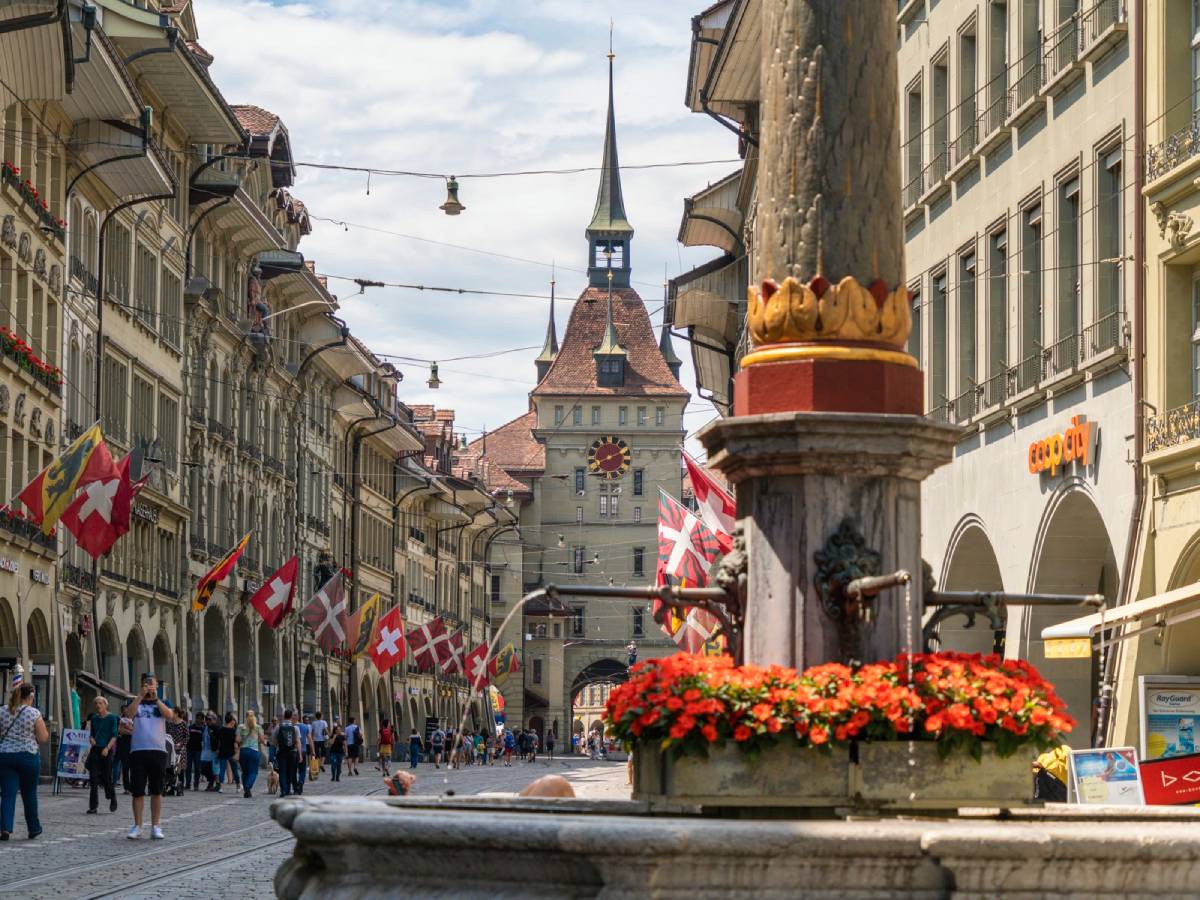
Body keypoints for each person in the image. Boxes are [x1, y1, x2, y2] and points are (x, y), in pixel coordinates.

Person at [122, 673, 172, 840]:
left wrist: (156, 699)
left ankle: (156, 825)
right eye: (146, 684)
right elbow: (128, 714)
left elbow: (170, 716)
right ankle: (137, 825)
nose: (150, 687)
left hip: (158, 750)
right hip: (138, 750)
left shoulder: (163, 702)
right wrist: (140, 696)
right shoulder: (135, 701)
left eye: (152, 684)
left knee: (157, 790)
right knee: (137, 791)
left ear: (157, 686)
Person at [0, 682, 47, 840]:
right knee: (29, 793)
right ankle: (33, 828)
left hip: (5, 755)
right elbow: (42, 737)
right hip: (28, 755)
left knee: (7, 794)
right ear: (31, 697)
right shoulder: (33, 713)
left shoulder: (2, 711)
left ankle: (5, 828)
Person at [85, 696, 119, 814]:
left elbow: (114, 735)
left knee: (106, 777)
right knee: (93, 779)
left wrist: (107, 748)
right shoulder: (94, 718)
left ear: (105, 705)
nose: (98, 706)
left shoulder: (112, 718)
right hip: (95, 750)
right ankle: (93, 806)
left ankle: (113, 798)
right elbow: (91, 734)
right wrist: (91, 739)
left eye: (100, 703)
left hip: (106, 750)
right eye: (96, 704)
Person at [237, 710, 265, 799]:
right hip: (254, 752)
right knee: (253, 772)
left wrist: (243, 740)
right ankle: (248, 787)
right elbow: (262, 740)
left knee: (244, 772)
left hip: (243, 751)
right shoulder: (258, 727)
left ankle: (246, 789)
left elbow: (237, 740)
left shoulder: (241, 727)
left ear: (245, 716)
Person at [274, 709, 301, 797]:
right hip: (292, 752)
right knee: (291, 771)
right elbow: (298, 741)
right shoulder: (295, 728)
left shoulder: (278, 727)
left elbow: (274, 741)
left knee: (282, 771)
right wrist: (300, 754)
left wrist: (277, 746)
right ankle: (289, 789)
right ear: (291, 717)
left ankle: (283, 790)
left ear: (284, 716)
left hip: (281, 752)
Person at [215, 712, 241, 792]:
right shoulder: (234, 731)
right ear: (231, 721)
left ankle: (221, 787)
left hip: (222, 752)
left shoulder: (221, 729)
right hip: (231, 752)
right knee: (234, 770)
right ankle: (238, 786)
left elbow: (218, 741)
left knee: (222, 770)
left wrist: (217, 750)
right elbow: (237, 741)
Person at [186, 712, 205, 791]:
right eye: (197, 718)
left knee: (197, 768)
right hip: (189, 749)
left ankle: (196, 784)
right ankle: (187, 784)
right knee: (188, 768)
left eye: (200, 719)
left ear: (202, 720)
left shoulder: (204, 729)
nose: (198, 720)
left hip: (198, 750)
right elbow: (187, 736)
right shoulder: (191, 727)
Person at [200, 712, 219, 790]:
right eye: (207, 719)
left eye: (209, 719)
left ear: (214, 720)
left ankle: (214, 783)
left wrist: (218, 749)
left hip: (213, 751)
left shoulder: (216, 728)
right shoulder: (205, 728)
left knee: (214, 769)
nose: (207, 721)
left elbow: (219, 739)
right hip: (205, 751)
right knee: (203, 767)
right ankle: (211, 781)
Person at [296, 714, 314, 793]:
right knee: (302, 769)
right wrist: (313, 751)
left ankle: (295, 785)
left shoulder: (292, 726)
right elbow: (310, 739)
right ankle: (301, 781)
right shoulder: (305, 727)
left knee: (293, 770)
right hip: (303, 750)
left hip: (293, 751)